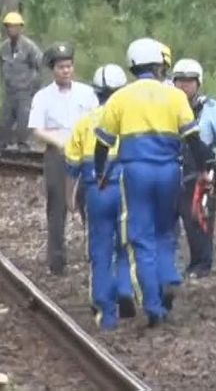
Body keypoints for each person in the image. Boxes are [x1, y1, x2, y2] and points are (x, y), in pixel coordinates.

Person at [92, 37, 216, 327]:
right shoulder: (175, 97)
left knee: (141, 236)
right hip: (169, 172)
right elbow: (194, 140)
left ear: (133, 65)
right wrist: (203, 171)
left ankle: (153, 305)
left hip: (135, 172)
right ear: (160, 65)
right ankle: (169, 276)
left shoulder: (119, 98)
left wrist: (100, 174)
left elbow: (102, 144)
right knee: (165, 232)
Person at [65, 64, 135, 329]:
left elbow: (71, 165)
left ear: (96, 92)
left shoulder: (84, 123)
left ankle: (105, 313)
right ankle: (126, 289)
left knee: (100, 250)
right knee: (126, 243)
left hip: (97, 191)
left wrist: (71, 197)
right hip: (126, 190)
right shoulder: (129, 121)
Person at [27, 43, 98, 275]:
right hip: (57, 154)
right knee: (57, 206)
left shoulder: (86, 93)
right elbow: (37, 129)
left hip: (85, 154)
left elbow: (97, 120)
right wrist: (60, 142)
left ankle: (95, 253)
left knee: (90, 202)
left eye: (69, 66)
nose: (66, 71)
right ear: (53, 69)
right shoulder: (43, 96)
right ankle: (56, 260)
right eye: (60, 67)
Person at [170, 58, 216, 279]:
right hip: (178, 167)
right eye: (180, 81)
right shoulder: (169, 107)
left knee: (199, 215)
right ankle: (186, 262)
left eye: (189, 82)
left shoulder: (210, 109)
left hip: (204, 169)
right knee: (181, 217)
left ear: (198, 83)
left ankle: (202, 263)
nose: (184, 86)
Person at [1, 11, 42, 150]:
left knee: (24, 124)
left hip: (25, 92)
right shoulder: (4, 48)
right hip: (10, 92)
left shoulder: (29, 47)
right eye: (8, 26)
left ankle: (24, 151)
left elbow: (40, 65)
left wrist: (35, 88)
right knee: (4, 124)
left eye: (14, 26)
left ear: (20, 28)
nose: (11, 29)